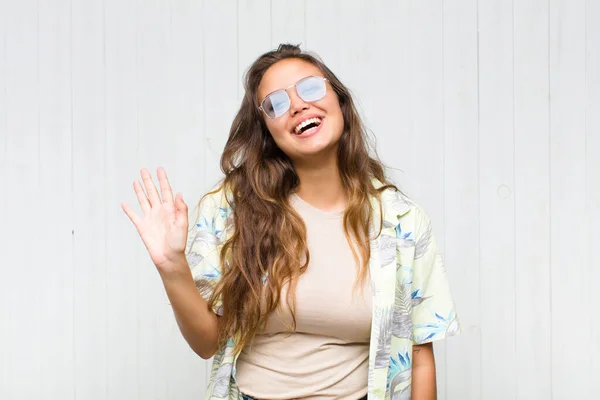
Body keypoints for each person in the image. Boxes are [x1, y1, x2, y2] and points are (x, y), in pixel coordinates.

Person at [122, 44, 460, 400]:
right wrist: (171, 266)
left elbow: (420, 355)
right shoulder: (231, 209)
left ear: (339, 100)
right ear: (267, 130)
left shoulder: (402, 221)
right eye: (276, 103)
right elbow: (208, 343)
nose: (298, 105)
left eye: (311, 87)